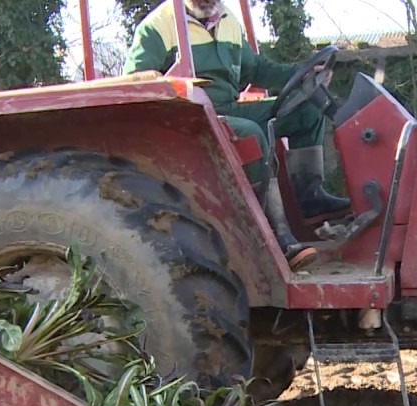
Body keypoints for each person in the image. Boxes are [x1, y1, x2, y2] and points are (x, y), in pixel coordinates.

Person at [123, 0, 350, 271]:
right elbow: (135, 80)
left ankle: (311, 199)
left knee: (308, 111)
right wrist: (158, 81)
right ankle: (277, 237)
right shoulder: (157, 26)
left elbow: (256, 68)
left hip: (228, 108)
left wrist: (301, 75)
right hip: (190, 117)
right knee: (251, 134)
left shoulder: (228, 19)